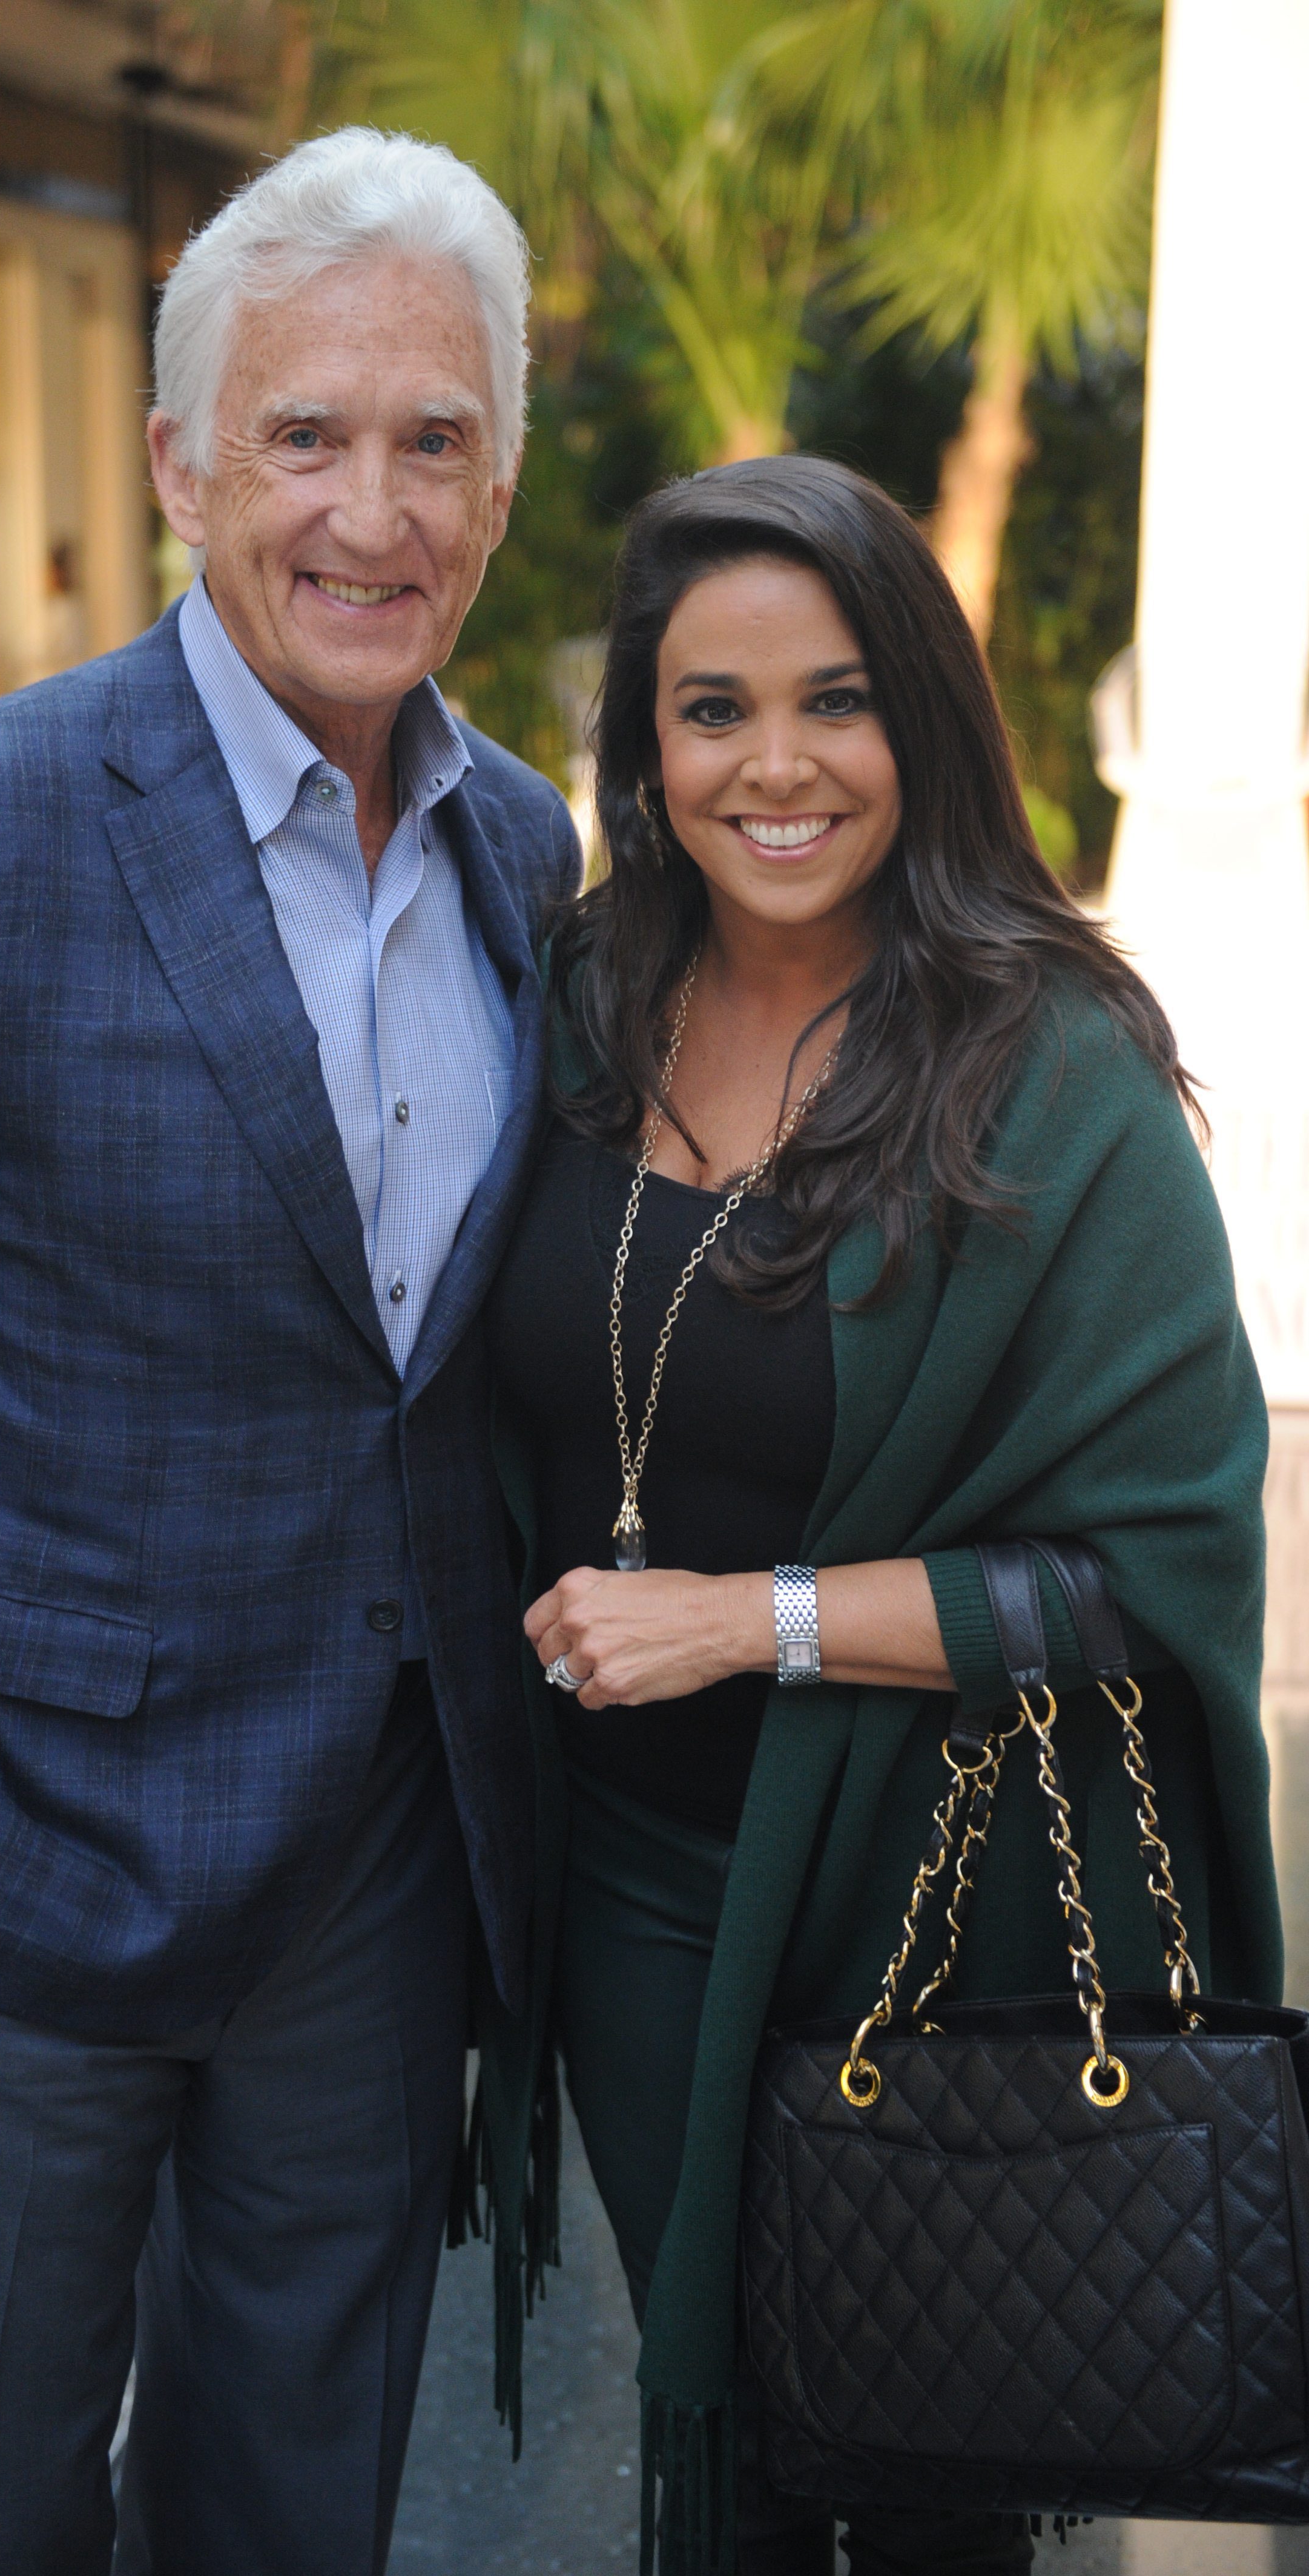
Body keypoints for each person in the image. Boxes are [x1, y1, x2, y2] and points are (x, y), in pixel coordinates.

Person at [0, 127, 582, 2576]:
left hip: (377, 1892)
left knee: (298, 2524)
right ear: (181, 461)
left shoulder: (528, 855)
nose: (372, 509)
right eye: (305, 434)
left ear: (501, 478)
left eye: (434, 437)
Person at [483, 455, 1278, 2575]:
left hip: (929, 1891)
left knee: (930, 2468)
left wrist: (751, 1619)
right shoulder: (580, 1005)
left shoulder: (1057, 1065)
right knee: (725, 2448)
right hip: (636, 1897)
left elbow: (1161, 1569)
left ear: (919, 718)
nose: (778, 766)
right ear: (645, 749)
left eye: (835, 700)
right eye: (712, 707)